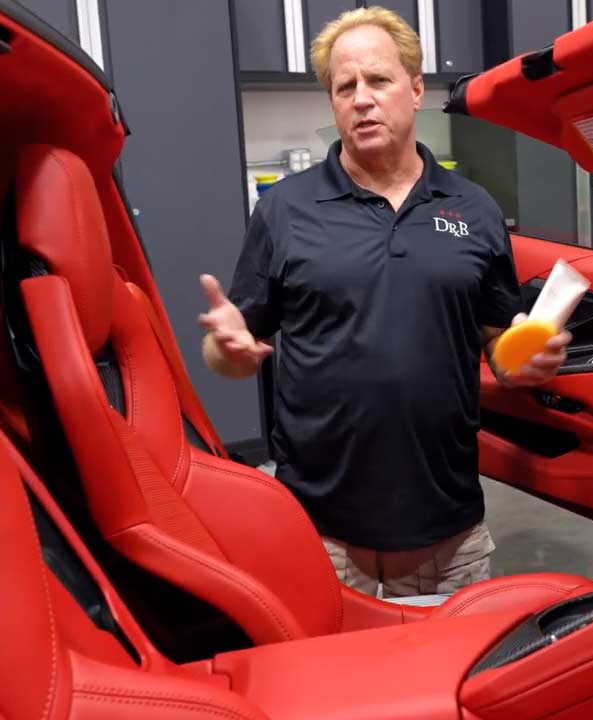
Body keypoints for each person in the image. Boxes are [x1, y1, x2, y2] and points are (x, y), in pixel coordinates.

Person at [198, 7, 570, 597]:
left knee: (451, 682)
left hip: (447, 525)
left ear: (417, 89)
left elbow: (499, 340)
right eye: (344, 87)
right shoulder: (284, 211)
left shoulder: (473, 209)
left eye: (378, 80)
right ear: (332, 102)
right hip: (319, 528)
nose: (361, 99)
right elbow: (235, 357)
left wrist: (521, 362)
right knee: (331, 683)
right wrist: (226, 349)